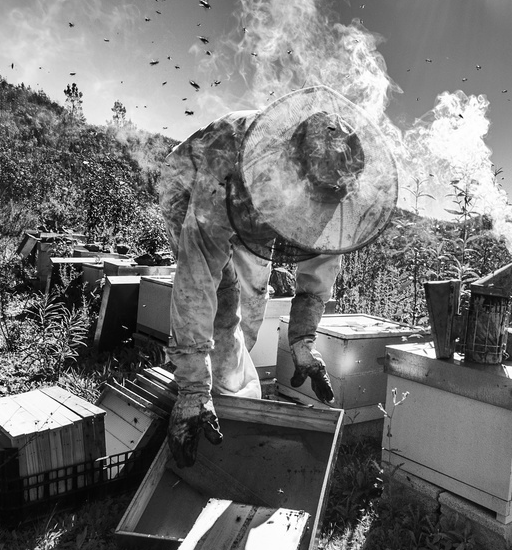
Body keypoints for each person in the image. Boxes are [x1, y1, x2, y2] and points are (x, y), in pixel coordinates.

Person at [159, 85, 398, 468]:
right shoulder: (228, 153)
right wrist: (193, 384)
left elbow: (320, 267)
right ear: (289, 172)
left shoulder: (327, 178)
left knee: (251, 310)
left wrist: (303, 343)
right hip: (190, 190)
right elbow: (197, 274)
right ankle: (197, 393)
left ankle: (222, 385)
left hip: (249, 214)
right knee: (222, 309)